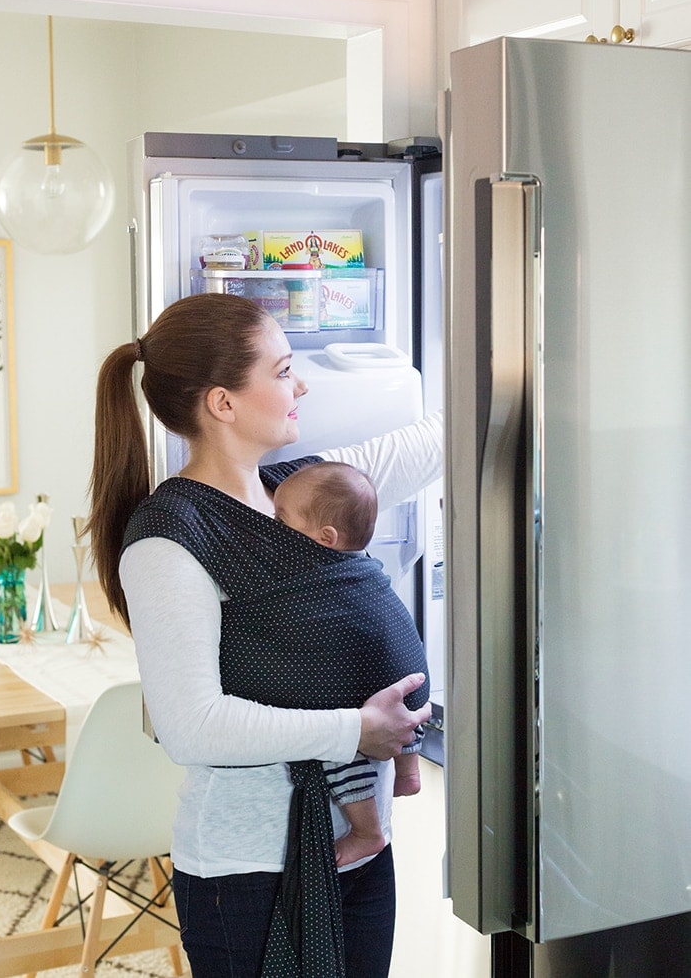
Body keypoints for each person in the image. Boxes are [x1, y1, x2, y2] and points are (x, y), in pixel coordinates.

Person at [86, 292, 442, 978]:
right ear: (223, 402)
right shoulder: (170, 540)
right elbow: (190, 726)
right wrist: (354, 731)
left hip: (361, 845)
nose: (300, 383)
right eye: (282, 370)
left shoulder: (302, 490)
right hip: (248, 869)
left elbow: (427, 446)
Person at [271, 460, 424, 868]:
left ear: (325, 537)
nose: (273, 526)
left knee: (338, 750)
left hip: (369, 700)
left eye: (281, 518)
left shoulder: (319, 579)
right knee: (406, 709)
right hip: (409, 686)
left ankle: (365, 831)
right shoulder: (367, 570)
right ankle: (409, 773)